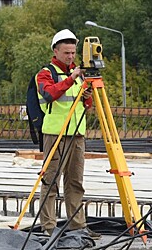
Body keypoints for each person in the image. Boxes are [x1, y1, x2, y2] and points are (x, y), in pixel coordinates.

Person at [36, 29, 101, 239]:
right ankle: (48, 228)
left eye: (73, 53)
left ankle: (78, 227)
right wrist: (71, 79)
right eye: (66, 53)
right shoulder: (46, 73)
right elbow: (50, 94)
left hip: (77, 135)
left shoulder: (79, 75)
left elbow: (86, 105)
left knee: (75, 182)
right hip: (55, 135)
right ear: (56, 51)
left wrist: (87, 95)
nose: (71, 57)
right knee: (51, 182)